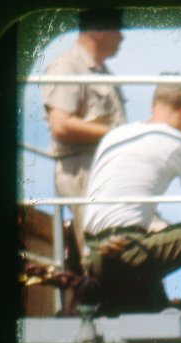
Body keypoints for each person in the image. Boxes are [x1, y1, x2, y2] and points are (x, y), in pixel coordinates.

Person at [82, 81, 181, 316]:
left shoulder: (116, 135)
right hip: (128, 251)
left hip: (94, 255)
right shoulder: (176, 141)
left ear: (153, 105)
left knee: (158, 313)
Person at [41, 8, 125, 257]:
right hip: (82, 171)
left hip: (106, 172)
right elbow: (61, 125)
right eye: (117, 30)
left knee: (120, 246)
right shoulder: (67, 66)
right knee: (100, 251)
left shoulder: (103, 74)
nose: (122, 37)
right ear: (99, 31)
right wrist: (114, 133)